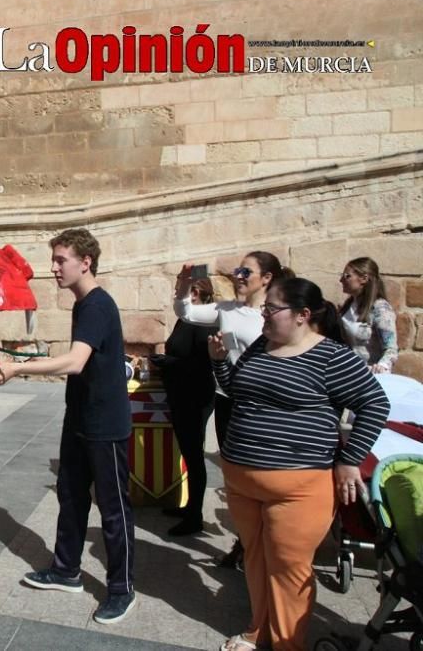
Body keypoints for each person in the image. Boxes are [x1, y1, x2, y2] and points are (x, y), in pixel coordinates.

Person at [210, 277, 388, 651]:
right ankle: (258, 630)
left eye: (272, 309)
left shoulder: (332, 357)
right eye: (264, 309)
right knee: (256, 560)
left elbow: (375, 405)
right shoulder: (262, 346)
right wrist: (219, 363)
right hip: (242, 480)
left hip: (299, 487)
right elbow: (238, 390)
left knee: (288, 570)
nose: (264, 317)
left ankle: (288, 644)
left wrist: (349, 460)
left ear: (303, 315)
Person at [0, 228, 135, 625]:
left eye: (60, 260)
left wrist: (17, 367)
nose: (52, 268)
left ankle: (122, 589)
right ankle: (66, 569)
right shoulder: (83, 303)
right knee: (70, 495)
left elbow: (74, 362)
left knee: (113, 509)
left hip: (105, 423)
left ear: (85, 262)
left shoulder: (97, 305)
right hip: (80, 418)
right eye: (53, 260)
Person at [174, 251, 292, 567]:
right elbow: (186, 312)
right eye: (238, 270)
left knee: (261, 476)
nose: (239, 276)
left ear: (266, 278)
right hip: (228, 400)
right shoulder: (227, 310)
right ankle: (246, 542)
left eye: (246, 271)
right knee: (236, 476)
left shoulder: (276, 315)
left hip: (263, 405)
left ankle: (264, 542)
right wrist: (184, 285)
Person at [154, 277, 217, 537]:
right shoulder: (187, 319)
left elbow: (201, 365)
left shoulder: (203, 324)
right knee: (189, 452)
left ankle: (194, 515)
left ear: (198, 294)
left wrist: (166, 362)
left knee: (194, 455)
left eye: (184, 292)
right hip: (181, 394)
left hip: (195, 396)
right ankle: (190, 506)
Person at [339, 256, 398, 373]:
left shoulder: (380, 308)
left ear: (364, 279)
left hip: (371, 375)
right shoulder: (348, 306)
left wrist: (382, 366)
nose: (341, 280)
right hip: (349, 373)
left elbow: (391, 349)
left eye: (347, 276)